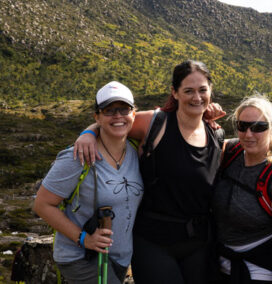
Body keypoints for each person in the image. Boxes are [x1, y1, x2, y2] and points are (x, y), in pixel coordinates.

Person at [73, 60, 225, 284]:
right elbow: (115, 121)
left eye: (203, 90)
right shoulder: (156, 123)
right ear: (174, 92)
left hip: (199, 244)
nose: (197, 97)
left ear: (211, 91)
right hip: (154, 242)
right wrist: (88, 132)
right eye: (188, 91)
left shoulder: (216, 134)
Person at [33, 81, 144, 283]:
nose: (118, 116)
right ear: (97, 116)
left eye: (124, 109)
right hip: (81, 257)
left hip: (119, 257)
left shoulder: (137, 149)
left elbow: (172, 116)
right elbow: (42, 204)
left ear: (134, 113)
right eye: (109, 110)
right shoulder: (78, 156)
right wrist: (83, 238)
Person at [212, 95, 272, 284]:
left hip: (261, 272)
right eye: (242, 126)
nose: (248, 134)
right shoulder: (231, 151)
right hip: (221, 267)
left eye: (258, 128)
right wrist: (204, 119)